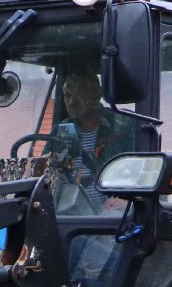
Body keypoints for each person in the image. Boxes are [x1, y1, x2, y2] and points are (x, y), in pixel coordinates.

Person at [51, 68, 135, 214]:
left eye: (81, 94)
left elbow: (145, 169)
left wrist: (131, 200)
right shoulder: (59, 132)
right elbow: (47, 174)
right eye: (67, 95)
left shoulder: (123, 126)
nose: (72, 101)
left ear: (98, 94)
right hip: (70, 213)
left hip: (113, 212)